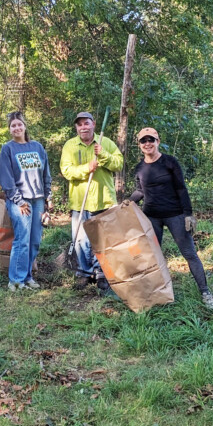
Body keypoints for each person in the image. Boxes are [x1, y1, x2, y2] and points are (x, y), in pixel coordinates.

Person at [129, 127, 213, 310]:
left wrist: (188, 214)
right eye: (143, 141)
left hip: (175, 215)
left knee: (189, 253)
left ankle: (205, 293)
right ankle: (157, 294)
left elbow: (181, 188)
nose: (147, 144)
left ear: (158, 141)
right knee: (153, 257)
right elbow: (140, 191)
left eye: (151, 140)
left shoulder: (170, 162)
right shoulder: (139, 168)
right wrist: (126, 203)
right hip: (152, 217)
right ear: (139, 145)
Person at [60, 111, 123, 293]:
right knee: (80, 240)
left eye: (86, 123)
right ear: (76, 127)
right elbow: (67, 170)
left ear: (93, 124)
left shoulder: (106, 143)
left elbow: (118, 164)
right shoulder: (70, 146)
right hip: (80, 201)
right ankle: (85, 273)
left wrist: (103, 155)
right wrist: (87, 168)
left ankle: (101, 273)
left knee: (102, 240)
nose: (83, 127)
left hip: (103, 200)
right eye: (79, 125)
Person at [0, 112, 52, 291]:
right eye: (13, 126)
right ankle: (15, 280)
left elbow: (46, 174)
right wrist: (19, 201)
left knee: (35, 240)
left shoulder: (37, 147)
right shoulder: (8, 149)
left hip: (38, 200)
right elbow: (6, 179)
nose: (16, 128)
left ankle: (27, 276)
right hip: (20, 201)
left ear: (24, 126)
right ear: (10, 129)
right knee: (22, 239)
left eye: (19, 124)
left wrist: (47, 197)